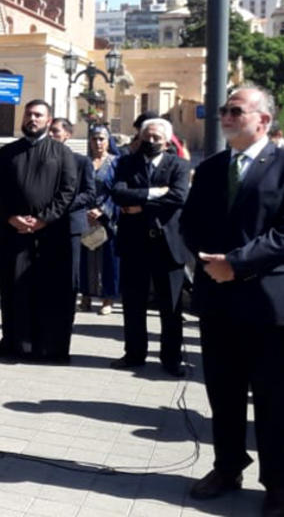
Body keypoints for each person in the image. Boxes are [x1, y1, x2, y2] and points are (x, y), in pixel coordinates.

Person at [181, 87, 284, 514]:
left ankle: (278, 483)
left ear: (262, 120)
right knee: (223, 393)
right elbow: (188, 222)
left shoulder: (281, 166)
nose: (224, 115)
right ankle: (227, 466)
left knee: (274, 399)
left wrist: (237, 264)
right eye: (223, 109)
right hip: (218, 299)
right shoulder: (210, 168)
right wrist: (208, 261)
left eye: (234, 110)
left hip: (267, 304)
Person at [0, 99, 77, 363]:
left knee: (49, 292)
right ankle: (13, 343)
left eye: (38, 115)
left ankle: (49, 348)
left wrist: (44, 220)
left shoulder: (61, 153)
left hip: (51, 236)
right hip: (13, 234)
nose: (32, 119)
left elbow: (68, 190)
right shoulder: (7, 153)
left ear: (48, 121)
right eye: (28, 114)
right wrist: (11, 218)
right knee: (13, 288)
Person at [110, 117, 189, 377]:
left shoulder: (178, 165)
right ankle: (134, 353)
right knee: (133, 303)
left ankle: (171, 358)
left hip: (168, 245)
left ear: (167, 142)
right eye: (147, 137)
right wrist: (156, 193)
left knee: (171, 307)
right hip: (135, 244)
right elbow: (119, 194)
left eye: (157, 138)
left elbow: (178, 197)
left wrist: (141, 204)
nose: (151, 142)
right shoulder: (125, 163)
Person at [48, 118, 96, 328]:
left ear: (67, 135)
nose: (51, 135)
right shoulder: (42, 160)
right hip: (45, 225)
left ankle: (67, 319)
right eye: (49, 131)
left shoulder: (81, 162)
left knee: (70, 275)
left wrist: (62, 205)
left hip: (71, 226)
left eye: (55, 131)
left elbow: (89, 194)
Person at [78, 125, 120, 315]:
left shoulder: (116, 163)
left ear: (108, 140)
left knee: (109, 260)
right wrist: (86, 211)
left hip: (107, 218)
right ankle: (85, 296)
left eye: (102, 139)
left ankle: (107, 298)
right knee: (85, 260)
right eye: (94, 139)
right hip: (85, 217)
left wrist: (103, 210)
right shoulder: (83, 162)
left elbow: (119, 190)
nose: (98, 143)